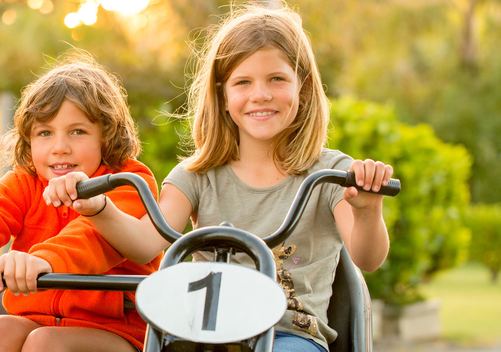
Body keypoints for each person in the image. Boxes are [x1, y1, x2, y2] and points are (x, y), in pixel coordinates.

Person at [44, 4, 394, 352]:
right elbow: (144, 243)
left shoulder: (329, 176)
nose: (261, 94)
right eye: (243, 82)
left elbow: (368, 259)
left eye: (277, 79)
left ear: (302, 90)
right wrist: (97, 207)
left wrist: (366, 209)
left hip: (289, 336)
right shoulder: (197, 176)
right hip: (207, 335)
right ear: (223, 95)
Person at [0, 53, 159, 352]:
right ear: (28, 140)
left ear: (107, 136)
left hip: (115, 330)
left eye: (78, 132)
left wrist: (42, 261)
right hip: (35, 318)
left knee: (45, 342)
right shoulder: (26, 182)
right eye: (45, 133)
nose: (59, 148)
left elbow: (94, 240)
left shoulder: (128, 182)